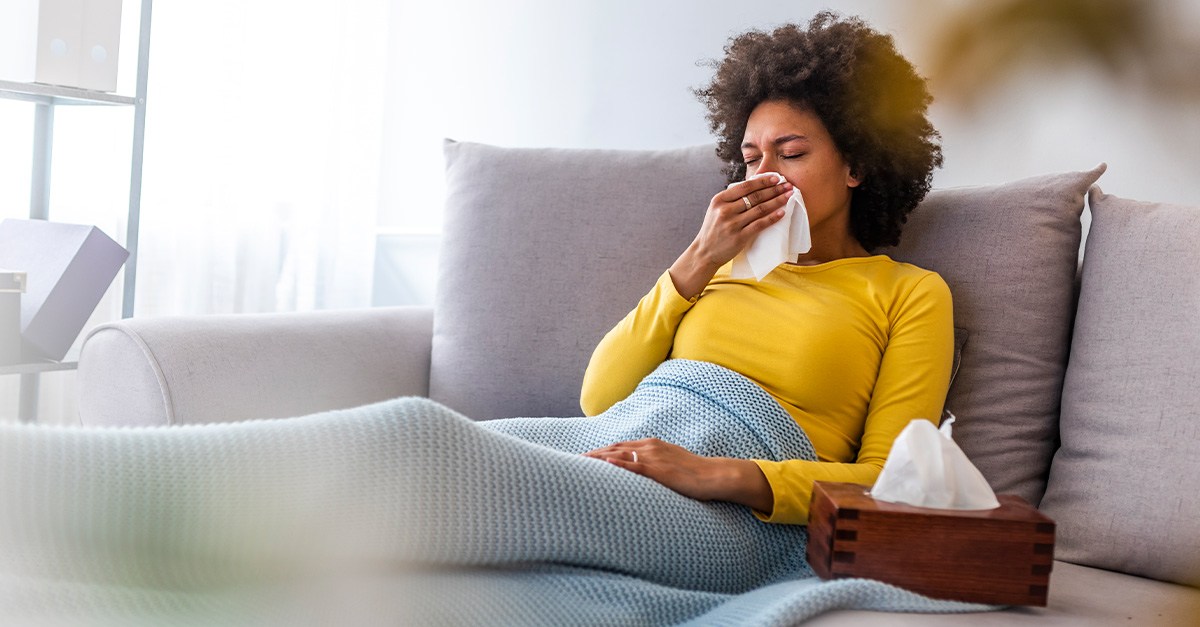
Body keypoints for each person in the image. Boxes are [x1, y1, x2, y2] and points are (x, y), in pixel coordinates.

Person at [581, 12, 953, 526]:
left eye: (792, 152)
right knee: (429, 436)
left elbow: (892, 479)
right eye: (752, 158)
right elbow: (599, 401)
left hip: (725, 511)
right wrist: (701, 255)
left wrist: (715, 474)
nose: (766, 175)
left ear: (857, 166)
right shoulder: (714, 265)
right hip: (613, 455)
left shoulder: (909, 292)